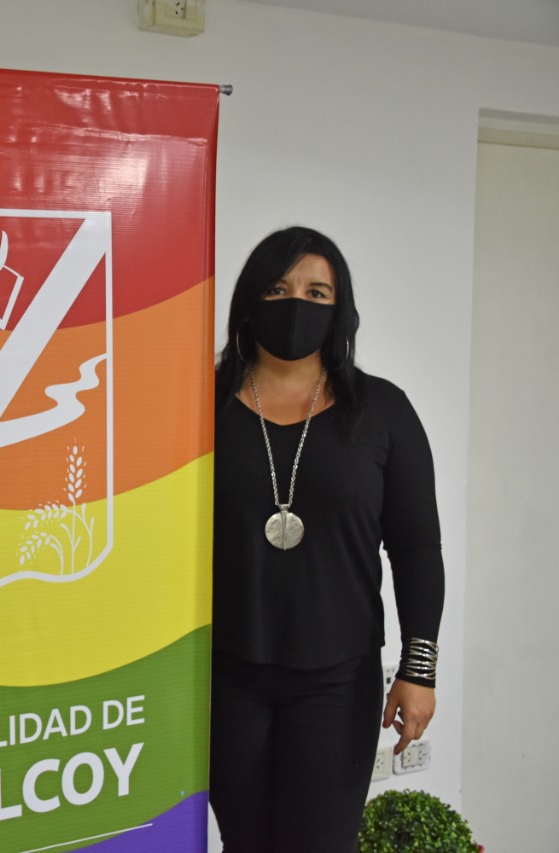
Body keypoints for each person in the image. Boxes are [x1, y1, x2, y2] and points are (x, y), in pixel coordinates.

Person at [209, 226, 444, 852]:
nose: (297, 304)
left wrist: (419, 670)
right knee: (244, 844)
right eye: (278, 288)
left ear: (340, 310)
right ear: (249, 302)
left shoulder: (383, 412)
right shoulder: (200, 405)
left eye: (317, 292)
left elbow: (418, 550)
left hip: (337, 682)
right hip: (224, 675)